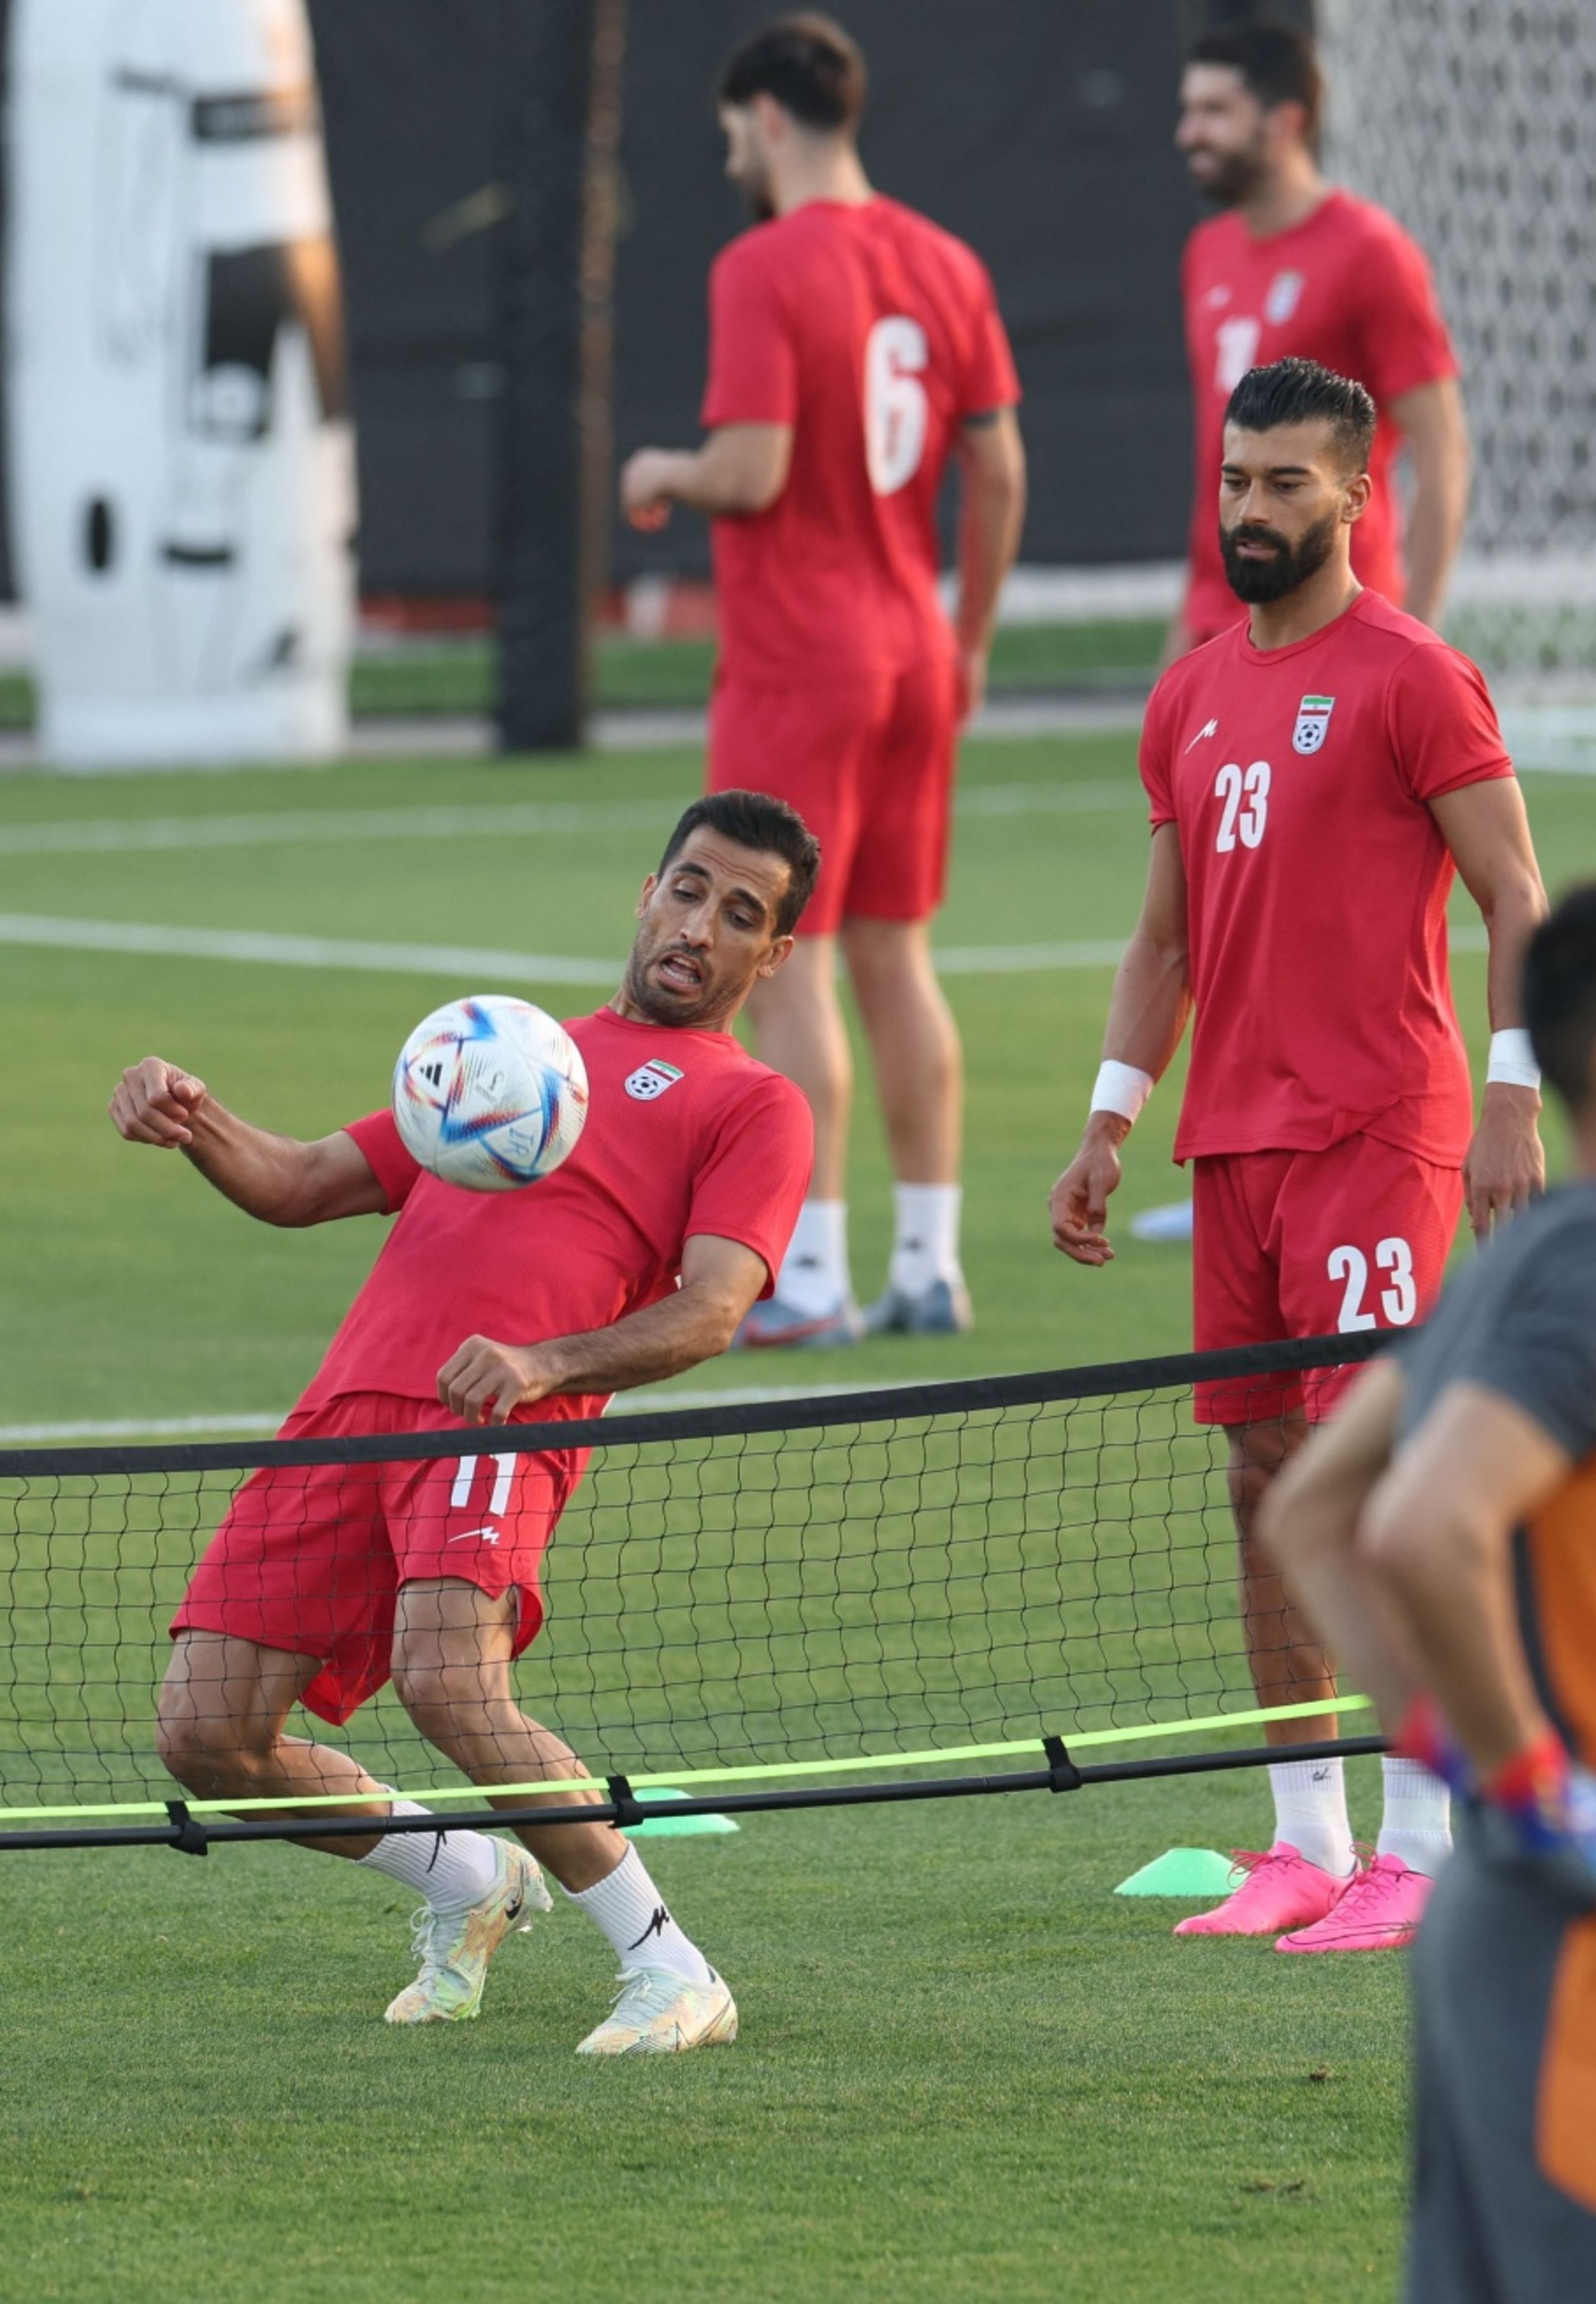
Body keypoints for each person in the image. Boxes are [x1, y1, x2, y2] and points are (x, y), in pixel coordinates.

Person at [116, 792, 819, 2057]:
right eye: (685, 889)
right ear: (645, 891)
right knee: (204, 1728)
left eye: (737, 915)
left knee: (449, 1675)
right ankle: (463, 1877)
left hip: (495, 1415)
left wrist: (544, 1362)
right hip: (348, 1410)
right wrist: (193, 1115)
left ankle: (671, 1968)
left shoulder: (752, 1104)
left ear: (768, 958)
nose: (695, 927)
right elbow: (300, 1182)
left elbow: (713, 1308)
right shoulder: (519, 1052)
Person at [1049, 357, 1548, 1956]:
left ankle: (1422, 1842)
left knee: (1374, 1491)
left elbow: (1517, 896)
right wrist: (1110, 1115)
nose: (1250, 508)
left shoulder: (1414, 674)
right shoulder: (1187, 694)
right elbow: (1160, 934)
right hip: (1233, 1149)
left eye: (1283, 484)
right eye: (1233, 480)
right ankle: (1301, 1836)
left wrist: (1510, 1096)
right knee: (1264, 1486)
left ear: (1355, 492)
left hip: (1376, 1132)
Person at [1258, 877, 1596, 2304]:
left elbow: (1313, 1508)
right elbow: (1423, 1525)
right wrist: (1558, 1802)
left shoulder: (1515, 1264)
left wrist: (1461, 1758)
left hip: (1507, 1916)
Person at [618, 13, 1023, 1348]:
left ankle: (805, 1276)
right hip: (914, 647)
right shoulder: (943, 259)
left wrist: (661, 474)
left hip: (802, 656)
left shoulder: (764, 265)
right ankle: (930, 1260)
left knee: (782, 966)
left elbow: (751, 468)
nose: (732, 152)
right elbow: (999, 469)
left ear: (770, 119)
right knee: (897, 957)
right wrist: (965, 637)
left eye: (733, 130)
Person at [1166, 24, 1468, 667]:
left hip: (1333, 621)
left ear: (1285, 121)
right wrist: (1185, 617)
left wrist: (1419, 635)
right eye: (1187, 111)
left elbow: (1440, 448)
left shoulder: (1371, 253)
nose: (1189, 133)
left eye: (1215, 112)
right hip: (1217, 621)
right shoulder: (1206, 252)